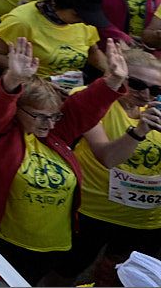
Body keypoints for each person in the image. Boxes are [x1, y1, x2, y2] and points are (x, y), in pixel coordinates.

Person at [0, 35, 129, 285]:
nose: (49, 124)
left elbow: (82, 109)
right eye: (40, 116)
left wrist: (113, 81)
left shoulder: (55, 133)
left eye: (54, 116)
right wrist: (12, 80)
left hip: (46, 247)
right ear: (16, 110)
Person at [71, 43, 161, 275]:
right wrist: (139, 131)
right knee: (66, 271)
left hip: (144, 219)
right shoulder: (92, 102)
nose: (146, 94)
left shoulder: (155, 111)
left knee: (119, 274)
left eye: (156, 89)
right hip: (93, 211)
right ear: (116, 74)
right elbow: (108, 157)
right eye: (137, 84)